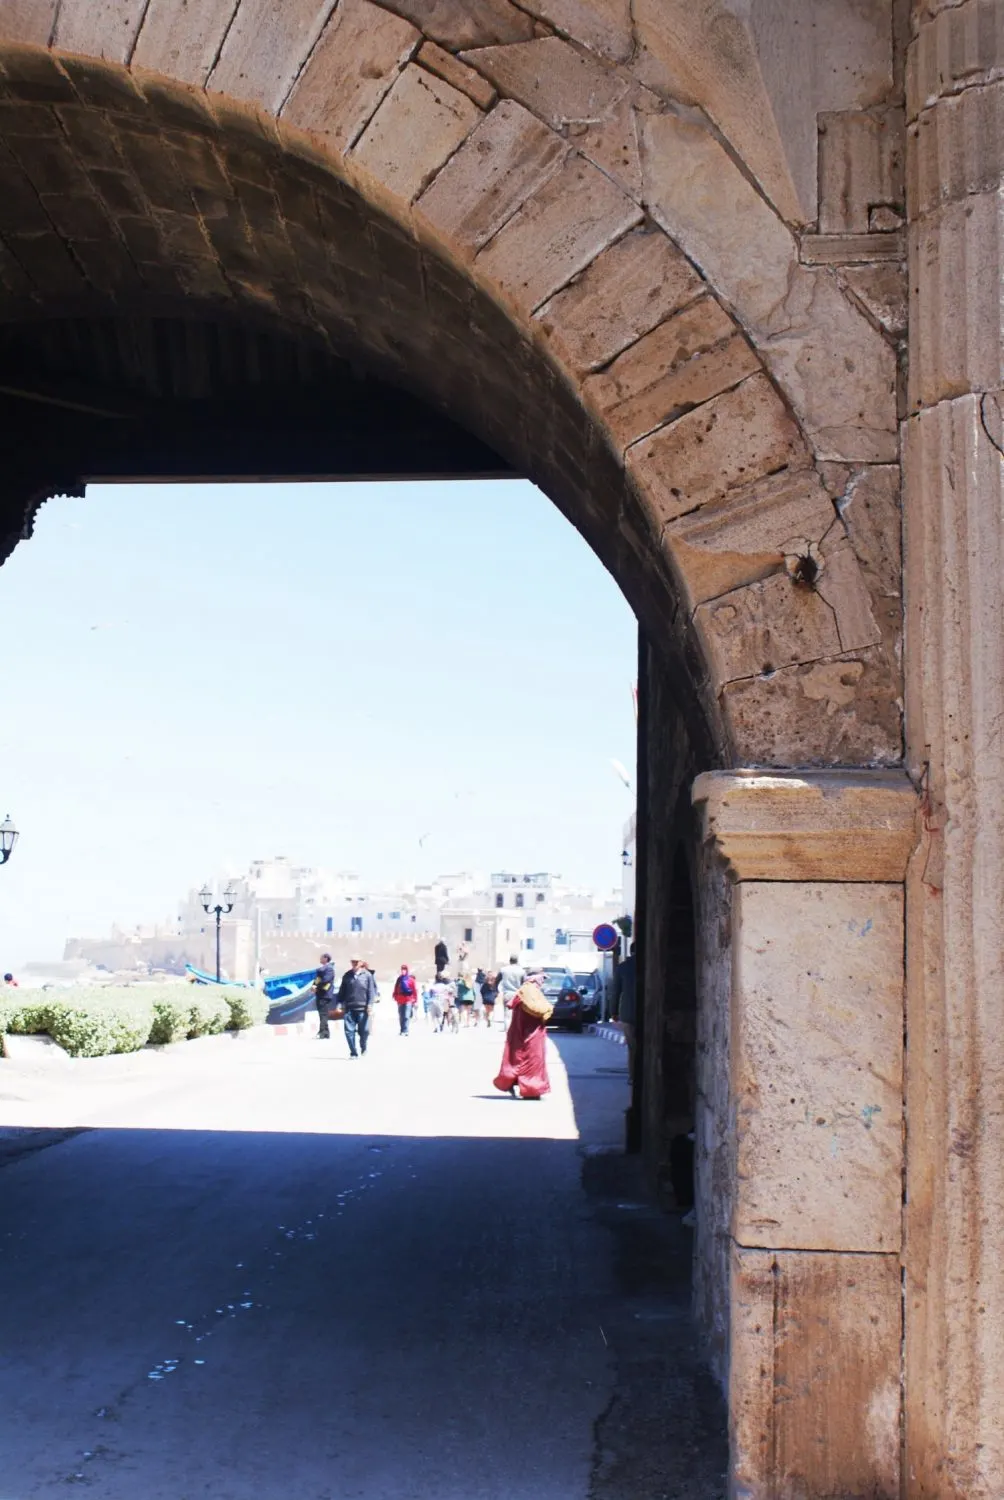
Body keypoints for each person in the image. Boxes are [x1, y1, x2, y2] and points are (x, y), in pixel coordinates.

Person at [493, 980, 552, 1099]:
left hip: (520, 1034)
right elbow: (538, 1010)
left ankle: (515, 1083)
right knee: (532, 1060)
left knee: (517, 1059)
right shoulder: (530, 994)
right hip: (531, 1034)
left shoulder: (522, 994)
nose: (541, 984)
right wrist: (548, 1010)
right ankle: (531, 1090)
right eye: (541, 980)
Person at [336, 955, 377, 1057]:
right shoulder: (347, 976)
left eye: (356, 962)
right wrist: (339, 1004)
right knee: (349, 1032)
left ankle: (363, 1046)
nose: (354, 963)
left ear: (361, 963)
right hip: (349, 1008)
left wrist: (370, 1005)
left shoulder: (367, 975)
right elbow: (342, 991)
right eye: (352, 962)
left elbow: (371, 991)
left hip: (363, 1009)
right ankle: (353, 1053)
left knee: (364, 1031)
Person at [615, 942, 637, 1077]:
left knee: (632, 1048)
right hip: (649, 1014)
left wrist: (614, 1012)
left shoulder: (623, 967)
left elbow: (616, 991)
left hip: (627, 1014)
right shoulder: (651, 966)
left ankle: (633, 1076)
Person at [313, 952, 336, 1039]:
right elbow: (318, 979)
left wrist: (317, 986)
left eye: (321, 957)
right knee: (322, 1013)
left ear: (326, 958)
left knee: (323, 1014)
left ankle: (322, 1032)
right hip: (320, 993)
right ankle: (326, 1033)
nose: (320, 959)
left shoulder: (329, 969)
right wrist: (313, 986)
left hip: (325, 993)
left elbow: (326, 980)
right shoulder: (321, 969)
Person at [496, 954, 524, 1023]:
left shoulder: (503, 970)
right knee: (517, 1014)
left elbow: (497, 980)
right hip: (518, 994)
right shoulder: (522, 971)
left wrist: (497, 991)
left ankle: (508, 1031)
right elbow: (524, 983)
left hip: (507, 994)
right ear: (517, 961)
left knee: (507, 1015)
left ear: (510, 961)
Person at [392, 964, 418, 1036]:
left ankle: (406, 1030)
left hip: (408, 1000)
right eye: (402, 969)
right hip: (400, 1000)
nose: (403, 970)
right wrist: (394, 995)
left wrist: (415, 1000)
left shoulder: (411, 980)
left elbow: (414, 990)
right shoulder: (399, 979)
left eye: (405, 969)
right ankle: (402, 1029)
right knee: (401, 1015)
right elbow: (396, 988)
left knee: (406, 1015)